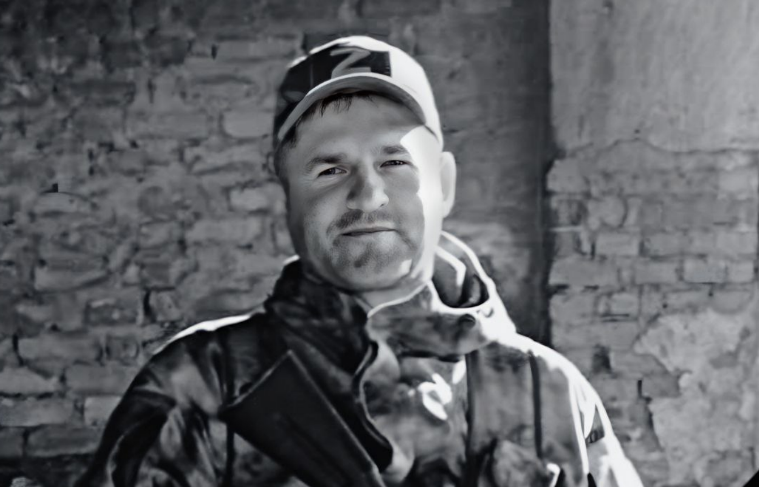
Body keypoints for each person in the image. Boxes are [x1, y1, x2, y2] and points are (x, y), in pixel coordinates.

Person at [75, 36, 643, 487]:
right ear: (286, 196)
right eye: (330, 169)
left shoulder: (550, 391)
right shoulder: (201, 385)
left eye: (394, 162)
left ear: (444, 184)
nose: (367, 195)